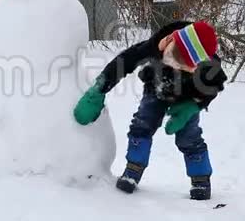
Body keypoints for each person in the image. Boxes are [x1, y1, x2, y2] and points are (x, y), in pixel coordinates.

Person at [74, 21, 228, 200]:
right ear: (171, 39)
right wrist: (99, 89)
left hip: (187, 97)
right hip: (157, 87)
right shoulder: (155, 45)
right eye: (172, 56)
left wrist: (193, 106)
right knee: (142, 123)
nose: (173, 65)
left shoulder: (209, 66)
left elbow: (213, 87)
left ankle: (201, 178)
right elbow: (124, 62)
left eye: (182, 66)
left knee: (189, 135)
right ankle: (134, 168)